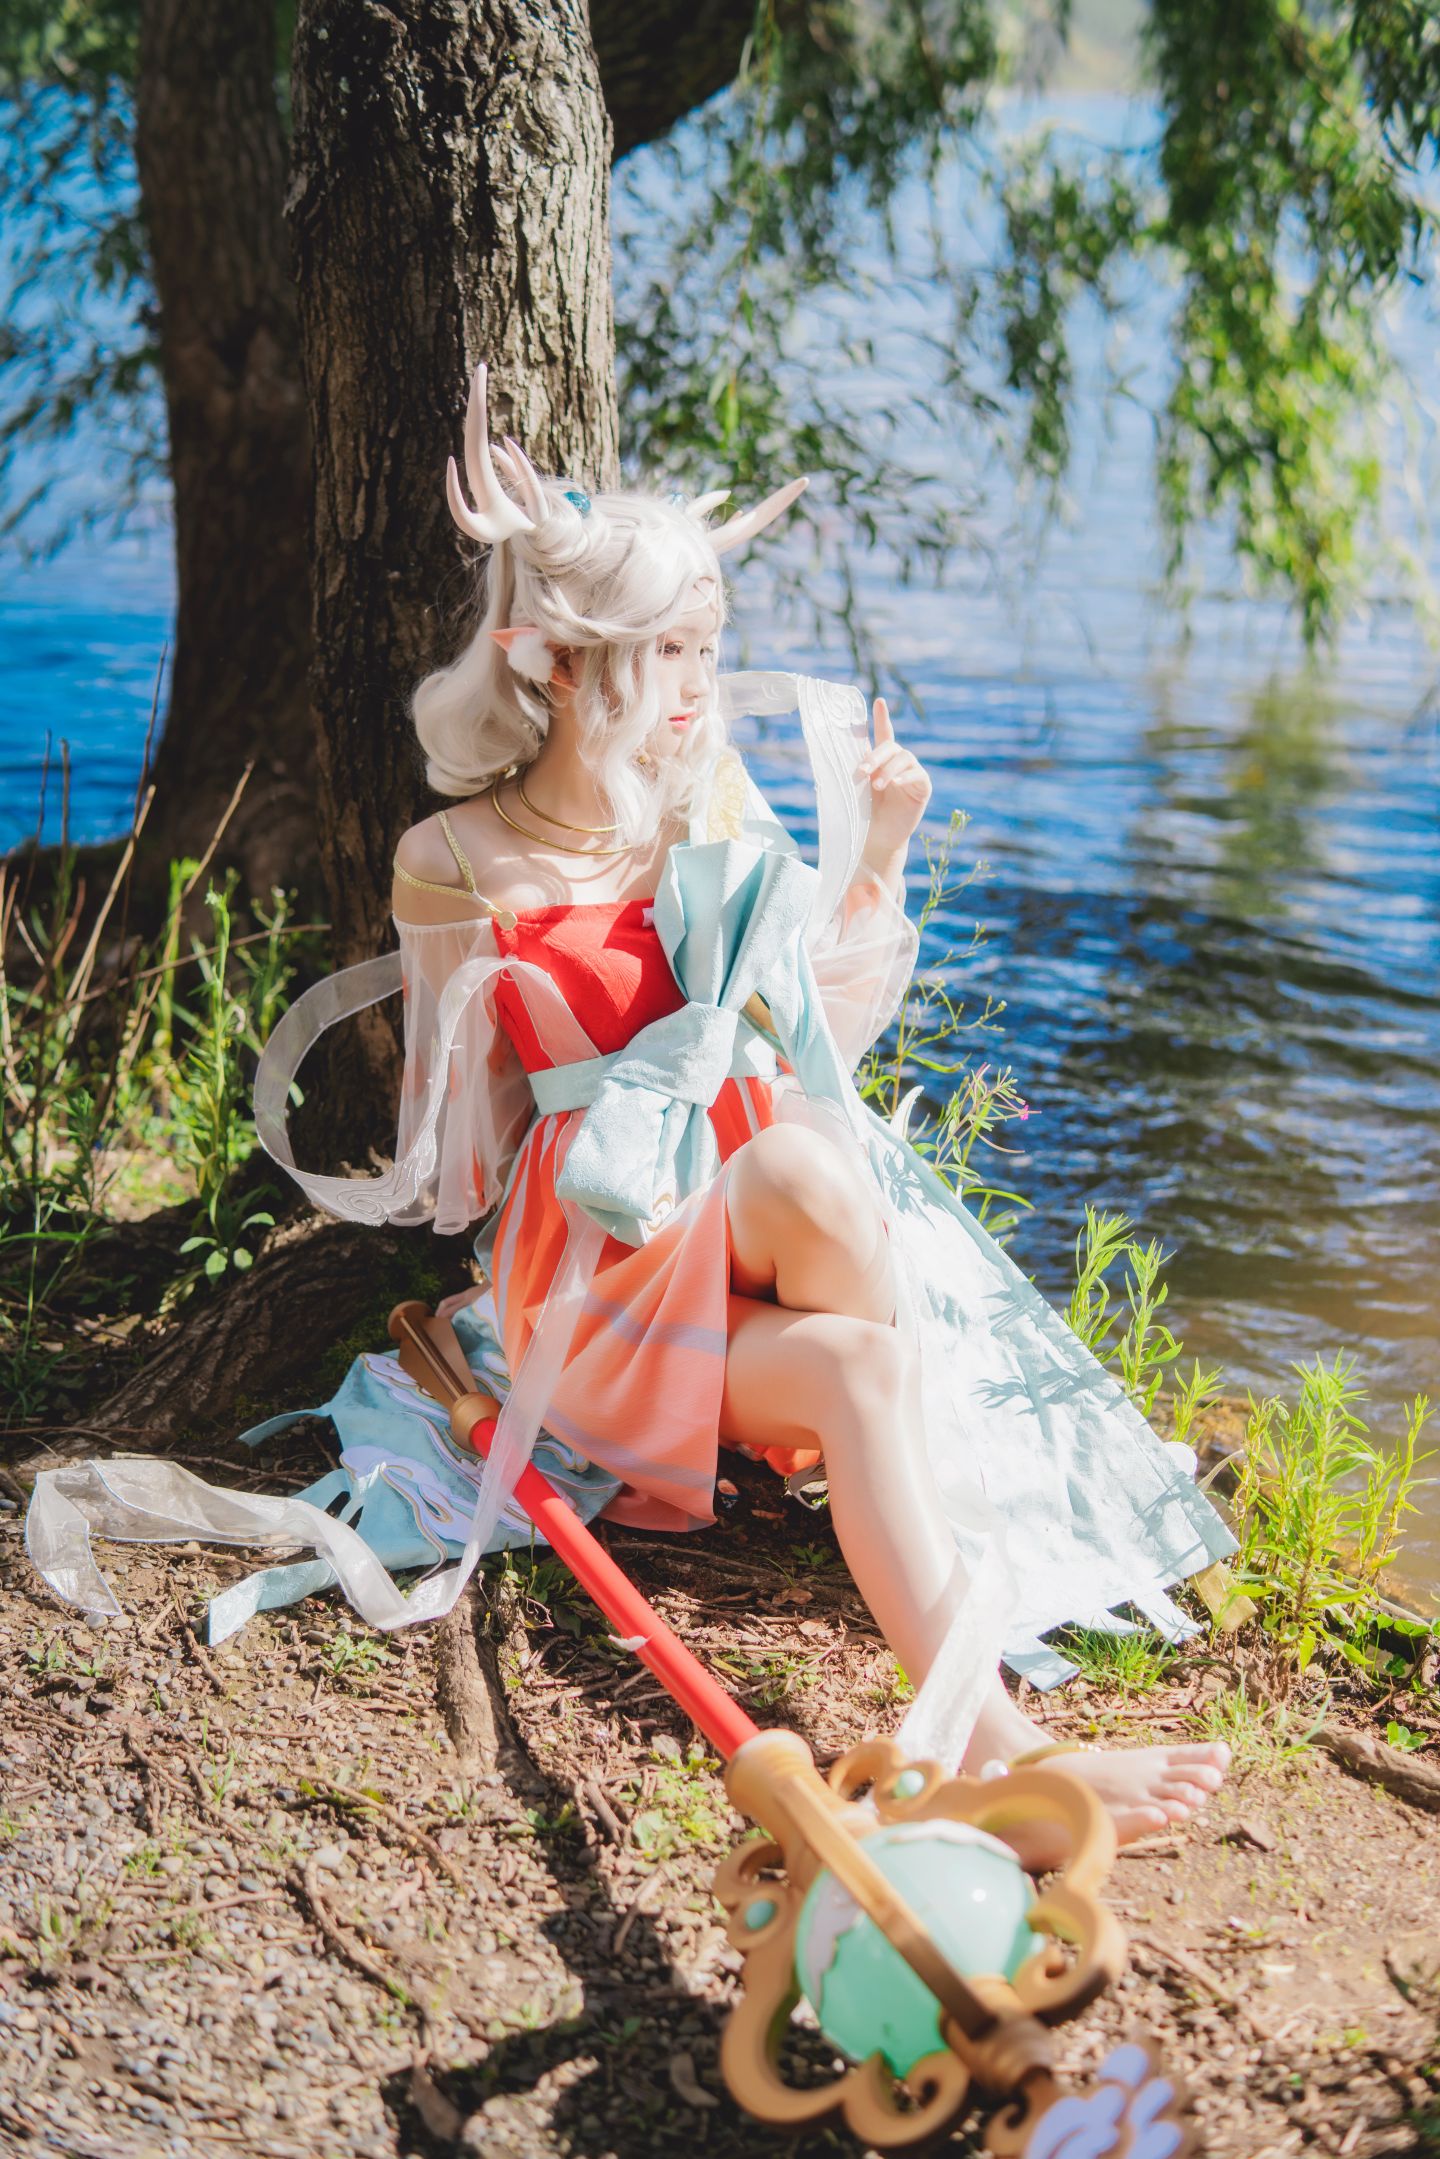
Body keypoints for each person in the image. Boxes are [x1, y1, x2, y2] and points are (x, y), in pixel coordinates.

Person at [29, 364, 1231, 1850]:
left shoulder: (703, 804)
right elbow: (465, 1146)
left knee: (821, 1215)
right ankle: (1001, 1746)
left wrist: (877, 857)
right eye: (670, 651)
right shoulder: (454, 860)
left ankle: (944, 1672)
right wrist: (550, 1121)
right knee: (829, 1264)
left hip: (751, 1202)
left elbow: (819, 1038)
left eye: (709, 648)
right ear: (553, 663)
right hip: (592, 1248)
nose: (699, 685)